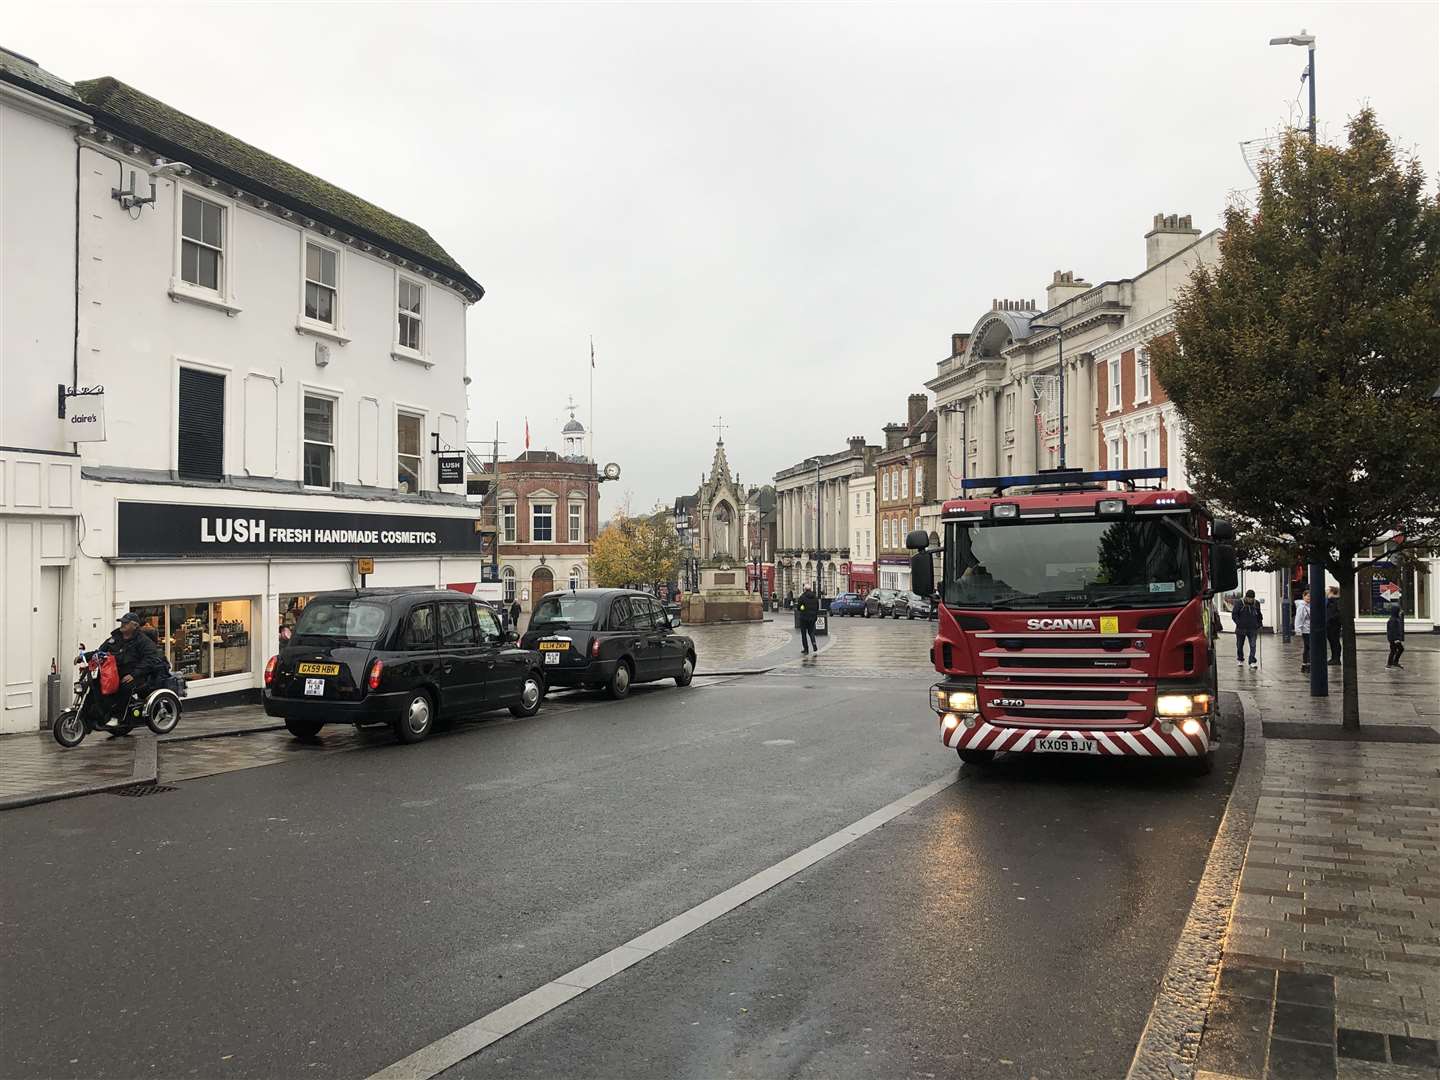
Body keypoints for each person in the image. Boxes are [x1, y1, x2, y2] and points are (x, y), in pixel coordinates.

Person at [100, 612, 168, 731]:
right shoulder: (115, 637)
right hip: (116, 673)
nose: (122, 624)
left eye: (126, 623)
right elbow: (101, 651)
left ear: (135, 625)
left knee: (124, 687)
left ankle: (117, 717)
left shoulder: (143, 641)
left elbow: (150, 659)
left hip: (137, 675)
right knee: (99, 684)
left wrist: (134, 674)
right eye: (122, 622)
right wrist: (85, 657)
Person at [1232, 590, 1263, 668]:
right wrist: (1239, 623)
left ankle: (1252, 661)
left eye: (1252, 598)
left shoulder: (1256, 603)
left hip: (1253, 628)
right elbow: (1234, 615)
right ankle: (1240, 659)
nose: (1250, 600)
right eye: (1249, 598)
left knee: (1253, 645)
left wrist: (1260, 624)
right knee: (1239, 645)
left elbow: (1259, 615)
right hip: (1241, 629)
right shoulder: (1239, 603)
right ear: (1246, 597)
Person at [796, 586, 819, 655]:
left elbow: (798, 607)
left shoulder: (802, 597)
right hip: (812, 617)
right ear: (810, 589)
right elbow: (817, 607)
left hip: (804, 618)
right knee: (811, 632)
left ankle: (806, 649)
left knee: (804, 634)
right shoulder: (815, 597)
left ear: (805, 589)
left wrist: (802, 609)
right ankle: (814, 643)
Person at [1293, 590, 1312, 673]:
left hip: (1311, 630)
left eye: (1310, 596)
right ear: (1303, 596)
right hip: (1306, 630)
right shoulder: (1302, 607)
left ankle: (1306, 664)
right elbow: (1299, 619)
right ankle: (1306, 664)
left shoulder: (1310, 605)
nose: (1309, 598)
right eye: (1307, 596)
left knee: (1308, 648)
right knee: (1309, 647)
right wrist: (1298, 630)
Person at [1326, 586, 1343, 666]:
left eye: (1328, 591)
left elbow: (1338, 614)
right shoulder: (1330, 601)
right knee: (1332, 642)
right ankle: (1334, 658)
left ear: (1332, 592)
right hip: (1330, 625)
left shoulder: (1336, 601)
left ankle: (1336, 659)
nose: (1326, 592)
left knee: (1335, 642)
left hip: (1334, 625)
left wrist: (1330, 619)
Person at [1386, 602, 1405, 668]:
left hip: (1394, 638)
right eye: (1399, 610)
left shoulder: (1396, 619)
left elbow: (1399, 627)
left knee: (1394, 650)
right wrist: (1396, 639)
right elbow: (1392, 631)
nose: (1400, 611)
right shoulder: (1393, 620)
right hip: (1394, 639)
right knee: (1398, 649)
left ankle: (1393, 663)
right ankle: (1390, 663)